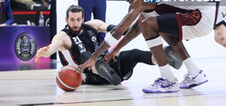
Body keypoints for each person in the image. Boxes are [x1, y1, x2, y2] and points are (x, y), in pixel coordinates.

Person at [79, 0, 212, 93]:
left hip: (200, 16)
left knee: (148, 25)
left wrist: (93, 57)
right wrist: (117, 49)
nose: (126, 0)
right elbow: (135, 30)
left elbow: (119, 30)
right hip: (201, 14)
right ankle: (195, 73)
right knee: (154, 26)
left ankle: (168, 79)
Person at [35, 5, 172, 85]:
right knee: (86, 55)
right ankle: (101, 69)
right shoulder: (62, 36)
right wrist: (45, 52)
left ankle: (165, 57)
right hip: (87, 74)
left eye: (78, 20)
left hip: (109, 66)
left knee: (134, 53)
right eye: (72, 20)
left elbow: (115, 29)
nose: (75, 23)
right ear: (66, 19)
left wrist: (134, 30)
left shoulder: (92, 25)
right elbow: (53, 47)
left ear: (83, 19)